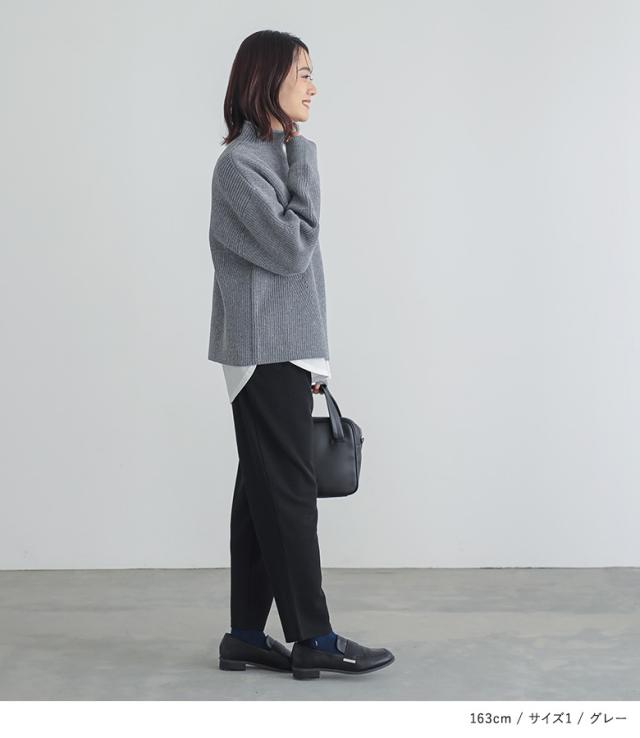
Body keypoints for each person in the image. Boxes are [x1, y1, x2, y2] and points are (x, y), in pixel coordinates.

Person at [207, 29, 395, 679]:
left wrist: (314, 358)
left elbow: (295, 269)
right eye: (303, 73)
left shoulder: (271, 158)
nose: (314, 87)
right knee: (288, 494)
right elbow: (293, 250)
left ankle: (244, 636)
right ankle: (313, 636)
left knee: (261, 490)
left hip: (285, 347)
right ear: (267, 81)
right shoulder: (242, 167)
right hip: (265, 349)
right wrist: (302, 153)